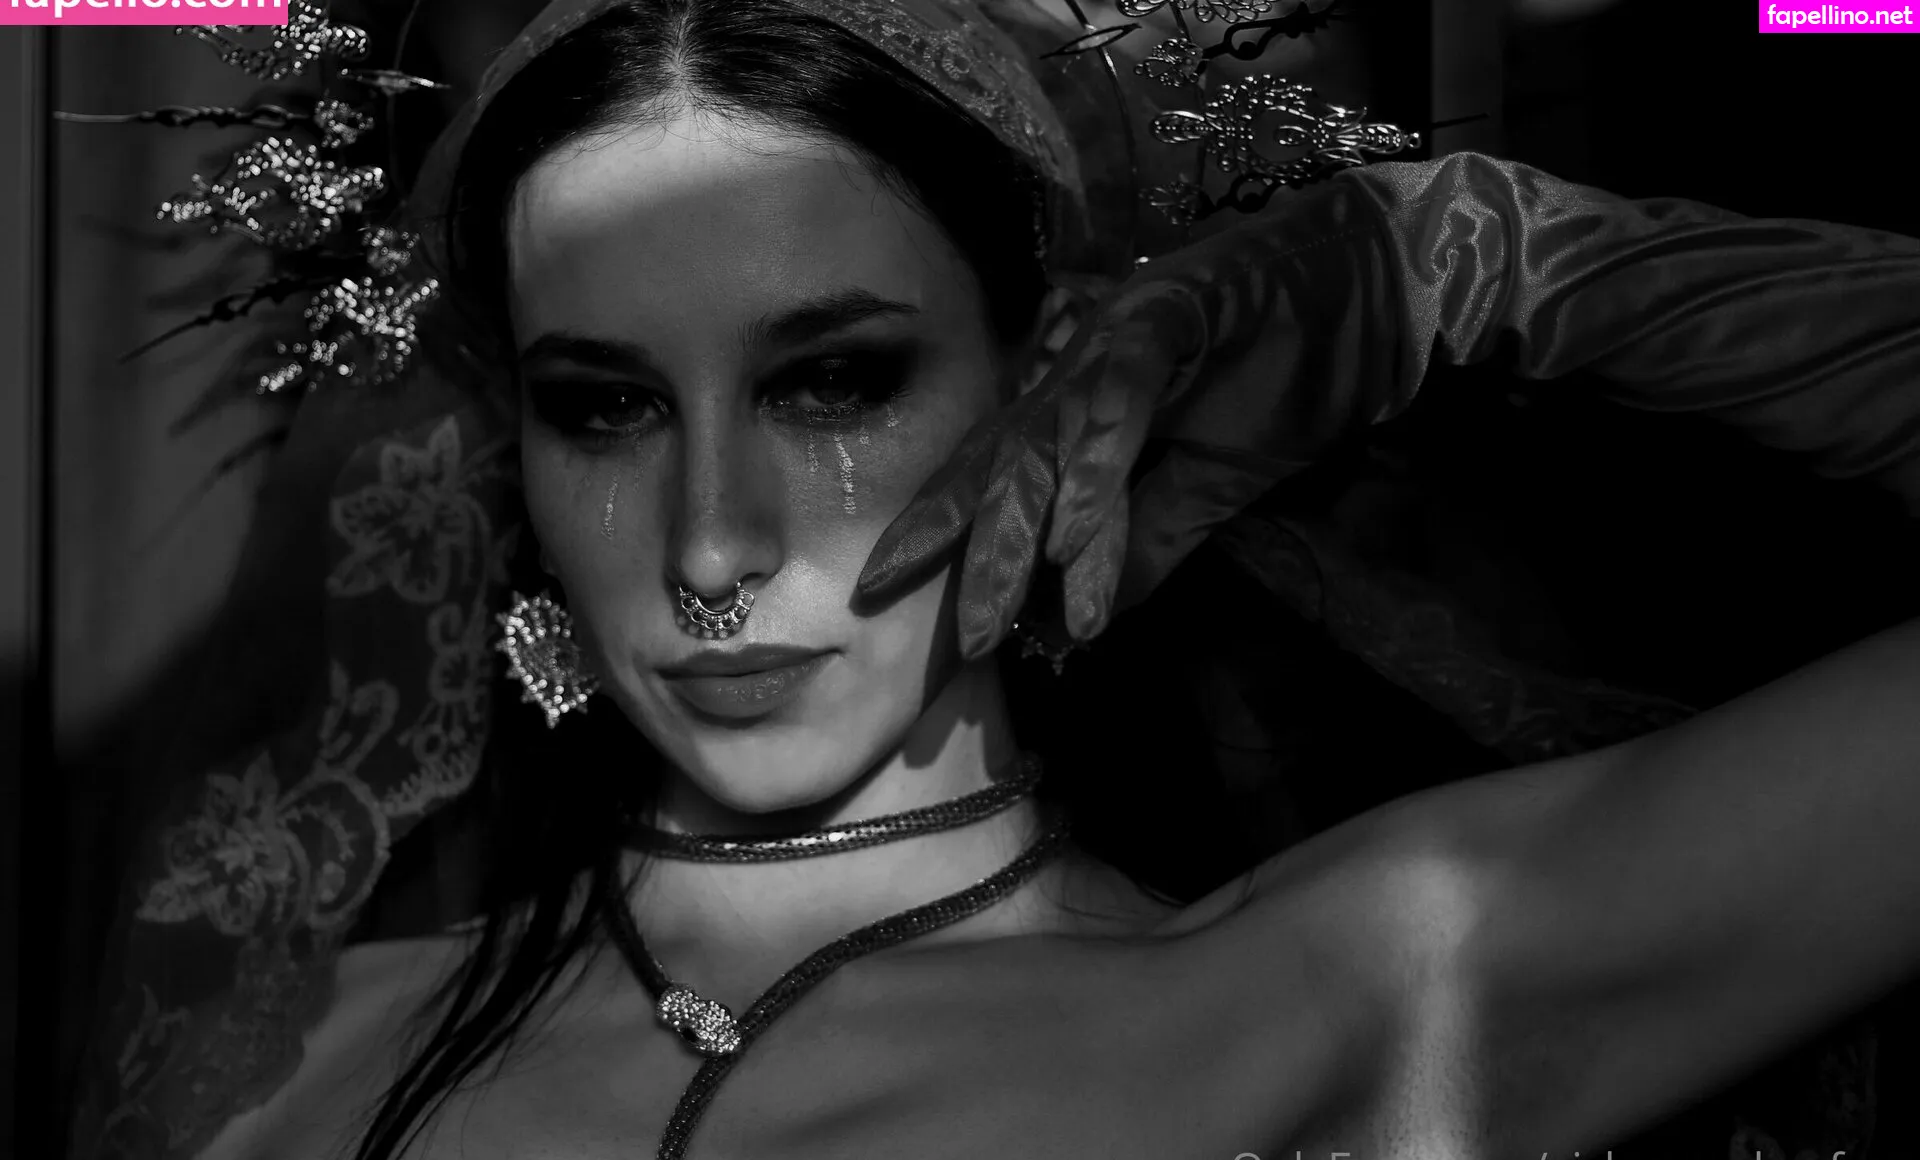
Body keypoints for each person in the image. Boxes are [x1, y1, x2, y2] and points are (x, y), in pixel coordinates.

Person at [67, 1, 1920, 1158]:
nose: (712, 548)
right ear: (511, 447)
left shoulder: (1373, 984)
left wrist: (1464, 267)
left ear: (1049, 375)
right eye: (606, 407)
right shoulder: (289, 1053)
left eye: (833, 382)